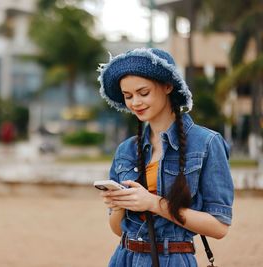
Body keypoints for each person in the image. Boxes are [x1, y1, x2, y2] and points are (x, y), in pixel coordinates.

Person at [97, 48, 234, 267]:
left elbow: (219, 227)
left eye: (143, 93)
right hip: (124, 258)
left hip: (174, 260)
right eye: (128, 96)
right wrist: (119, 204)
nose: (135, 103)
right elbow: (117, 229)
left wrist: (152, 203)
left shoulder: (207, 143)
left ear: (168, 86)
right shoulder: (126, 150)